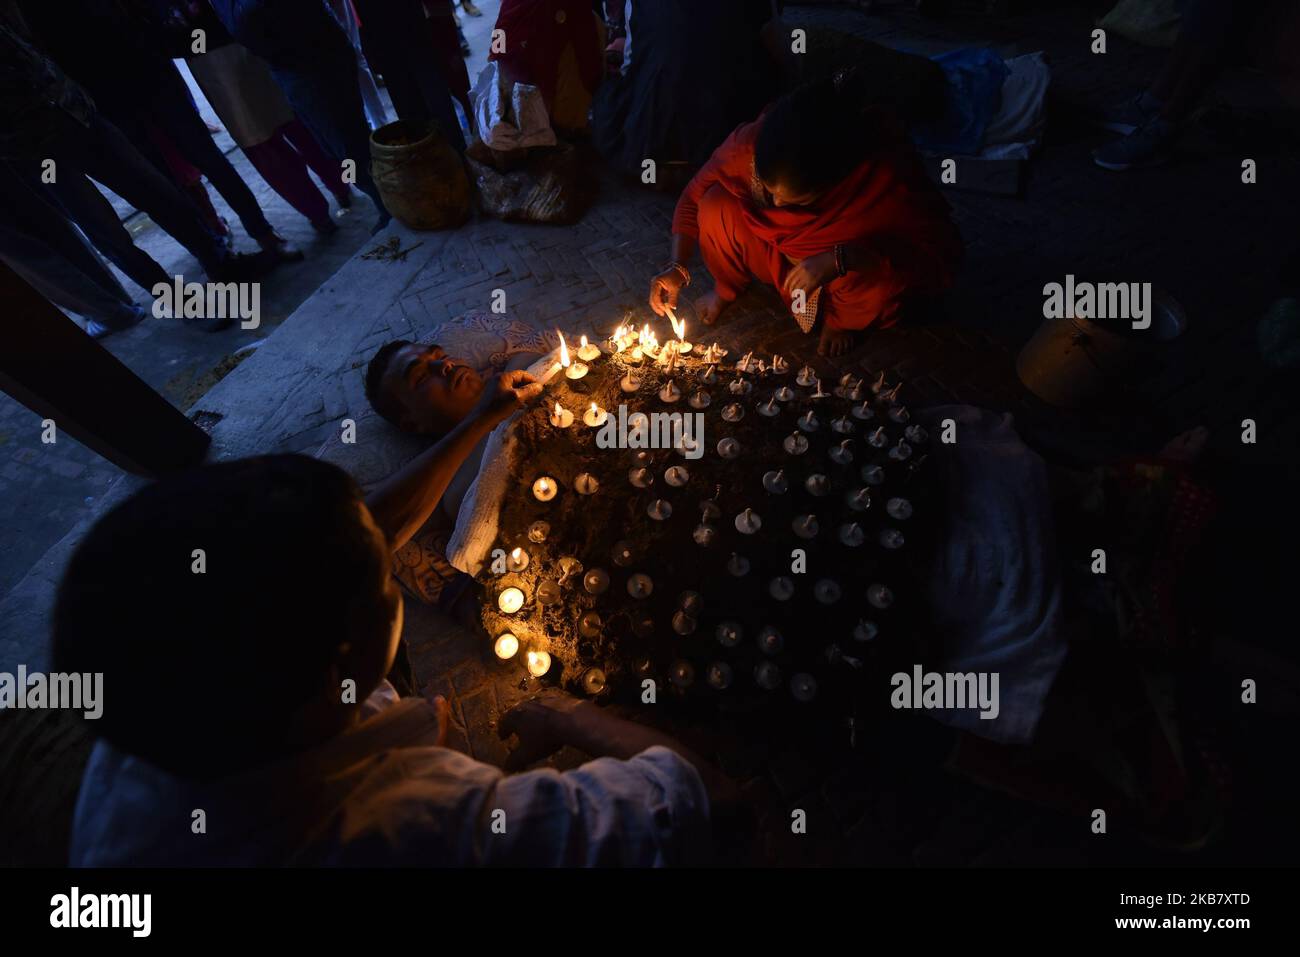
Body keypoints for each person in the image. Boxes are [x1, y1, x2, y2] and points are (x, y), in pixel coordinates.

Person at [59, 373, 736, 866]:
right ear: (343, 668)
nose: (393, 560)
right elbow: (715, 805)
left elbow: (351, 541)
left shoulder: (160, 701)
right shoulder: (420, 824)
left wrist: (480, 417)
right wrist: (567, 716)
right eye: (384, 578)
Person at [648, 71, 963, 357]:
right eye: (769, 189)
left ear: (833, 180)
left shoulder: (883, 179)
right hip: (773, 253)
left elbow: (933, 260)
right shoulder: (746, 147)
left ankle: (841, 321)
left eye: (792, 199)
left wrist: (842, 258)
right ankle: (726, 288)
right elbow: (692, 197)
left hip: (842, 274)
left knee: (876, 278)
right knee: (716, 203)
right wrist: (677, 266)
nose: (775, 203)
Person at [0, 2, 260, 301]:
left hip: (77, 112)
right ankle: (174, 299)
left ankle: (221, 264)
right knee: (105, 228)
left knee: (157, 191)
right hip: (37, 148)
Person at [209, 0, 390, 226]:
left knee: (348, 144)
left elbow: (251, 20)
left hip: (309, 55)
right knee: (339, 142)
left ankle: (386, 204)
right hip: (293, 60)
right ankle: (381, 200)